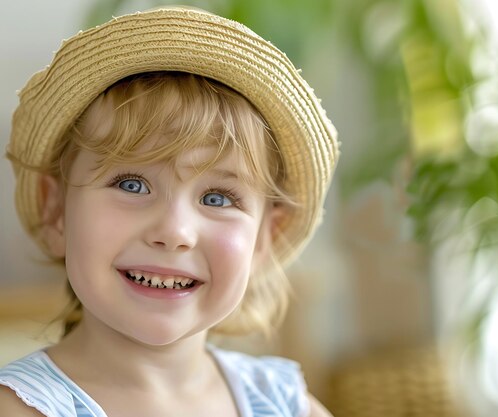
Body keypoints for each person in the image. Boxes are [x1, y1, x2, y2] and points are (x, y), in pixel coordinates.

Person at [0, 6, 338, 417]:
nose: (174, 230)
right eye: (131, 184)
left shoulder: (286, 404)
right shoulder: (23, 408)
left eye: (217, 198)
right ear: (57, 212)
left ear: (266, 237)